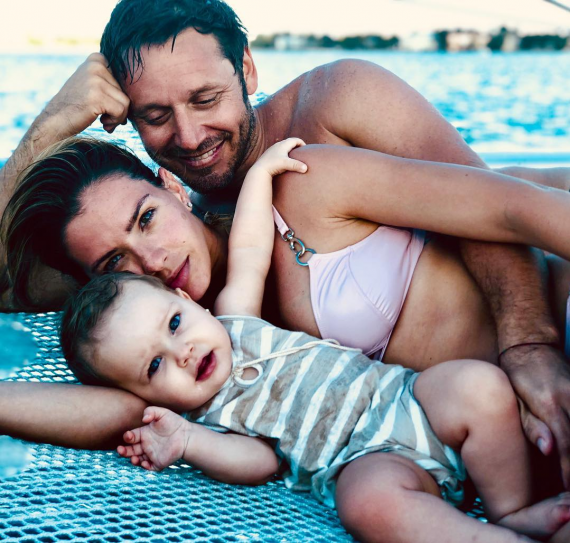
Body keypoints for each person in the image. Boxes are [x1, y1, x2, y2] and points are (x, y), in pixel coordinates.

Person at [1, 0, 570, 477]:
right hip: (489, 424)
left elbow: (502, 208)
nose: (190, 136)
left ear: (246, 69)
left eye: (205, 98)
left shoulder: (318, 133)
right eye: (156, 115)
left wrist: (530, 346)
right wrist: (52, 124)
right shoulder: (149, 307)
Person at [58, 140, 570, 542]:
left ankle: (513, 510)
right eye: (155, 367)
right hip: (365, 461)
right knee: (365, 506)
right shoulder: (208, 417)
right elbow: (262, 462)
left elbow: (251, 248)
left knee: (479, 386)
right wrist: (188, 442)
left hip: (404, 399)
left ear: (187, 302)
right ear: (142, 393)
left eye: (174, 326)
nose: (183, 353)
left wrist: (260, 177)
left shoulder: (236, 321)